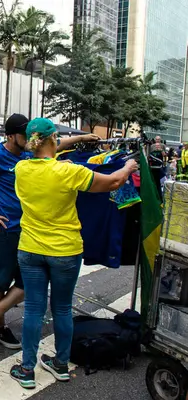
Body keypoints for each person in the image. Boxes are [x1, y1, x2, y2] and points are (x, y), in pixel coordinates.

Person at [9, 118, 138, 389]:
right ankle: (60, 364)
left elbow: (44, 162)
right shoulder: (70, 173)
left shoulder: (21, 168)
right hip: (65, 251)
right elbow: (114, 182)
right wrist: (128, 166)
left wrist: (65, 155)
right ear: (54, 139)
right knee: (62, 308)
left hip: (30, 248)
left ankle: (27, 368)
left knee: (33, 309)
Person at [0, 113, 100, 352]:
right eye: (25, 135)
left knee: (31, 282)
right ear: (11, 136)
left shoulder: (29, 151)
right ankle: (0, 327)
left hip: (28, 230)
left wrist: (82, 137)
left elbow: (56, 143)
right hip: (2, 230)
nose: (31, 138)